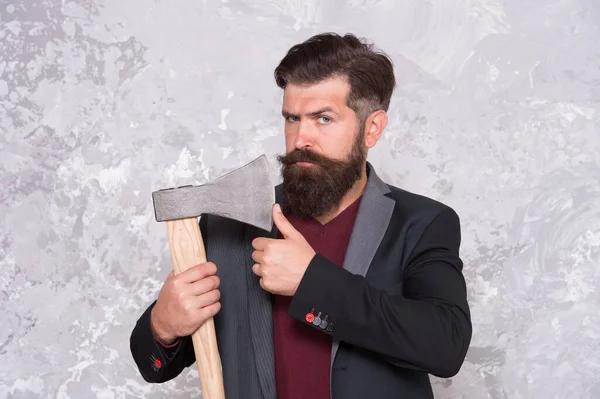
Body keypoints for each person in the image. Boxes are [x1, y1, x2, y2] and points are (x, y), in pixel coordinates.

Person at [130, 32, 472, 399]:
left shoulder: (422, 223)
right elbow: (155, 361)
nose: (300, 138)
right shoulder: (230, 223)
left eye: (323, 119)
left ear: (372, 128)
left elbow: (445, 345)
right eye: (292, 118)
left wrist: (312, 282)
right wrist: (163, 326)